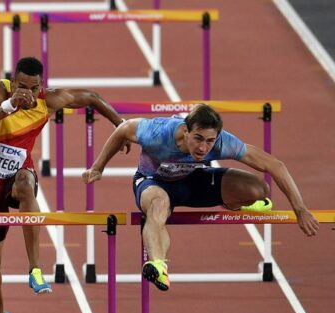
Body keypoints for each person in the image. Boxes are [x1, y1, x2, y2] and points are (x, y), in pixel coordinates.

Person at [0, 56, 125, 313]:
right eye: (21, 86)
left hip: (18, 175)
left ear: (42, 86)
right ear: (12, 83)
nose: (27, 92)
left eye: (33, 87)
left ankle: (35, 268)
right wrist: (7, 107)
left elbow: (91, 97)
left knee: (26, 185)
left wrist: (120, 125)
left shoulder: (48, 101)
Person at [83, 103, 320, 291]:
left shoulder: (222, 142)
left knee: (258, 189)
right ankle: (158, 265)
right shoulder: (158, 132)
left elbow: (275, 164)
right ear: (186, 130)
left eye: (210, 141)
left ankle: (236, 204)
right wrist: (98, 167)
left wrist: (300, 209)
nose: (203, 148)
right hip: (154, 182)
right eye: (198, 138)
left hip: (193, 181)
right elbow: (123, 129)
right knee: (158, 206)